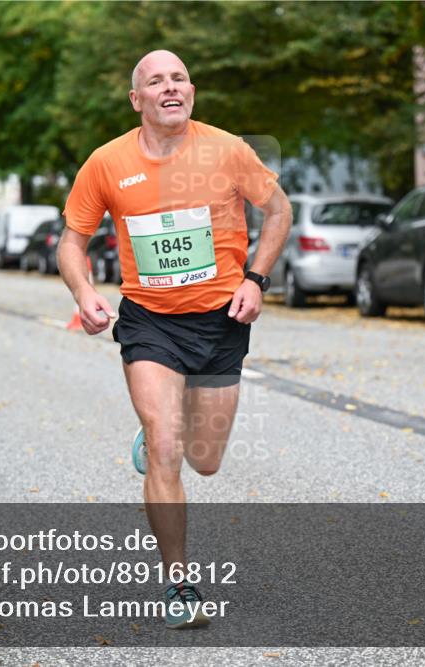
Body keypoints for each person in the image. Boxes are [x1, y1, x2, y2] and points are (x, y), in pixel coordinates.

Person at [58, 50, 291, 629]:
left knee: (204, 461)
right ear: (137, 100)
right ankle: (178, 582)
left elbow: (279, 211)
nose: (171, 87)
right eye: (156, 81)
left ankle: (165, 422)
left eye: (179, 78)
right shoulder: (106, 163)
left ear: (192, 91)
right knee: (166, 448)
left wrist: (256, 280)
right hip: (150, 321)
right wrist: (84, 294)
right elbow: (71, 241)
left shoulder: (228, 150)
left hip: (220, 321)